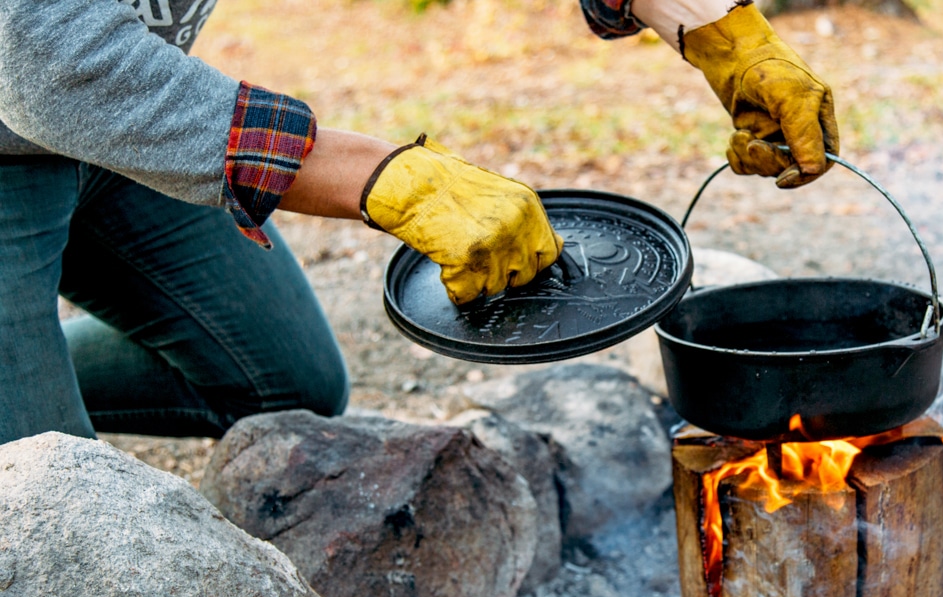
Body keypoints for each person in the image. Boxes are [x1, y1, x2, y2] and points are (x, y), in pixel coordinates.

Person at [0, 0, 837, 444]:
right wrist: (383, 175)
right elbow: (43, 56)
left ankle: (32, 365)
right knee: (58, 495)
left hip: (121, 117)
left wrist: (715, 26)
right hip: (37, 104)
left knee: (288, 386)